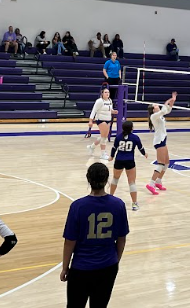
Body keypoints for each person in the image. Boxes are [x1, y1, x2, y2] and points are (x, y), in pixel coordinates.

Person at [61, 163, 129, 308]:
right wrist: (115, 260)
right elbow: (121, 239)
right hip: (108, 267)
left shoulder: (78, 206)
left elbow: (69, 241)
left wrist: (65, 267)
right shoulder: (118, 205)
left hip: (81, 268)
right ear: (107, 180)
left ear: (88, 179)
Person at [109, 121, 148, 212]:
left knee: (115, 179)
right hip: (130, 161)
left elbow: (114, 148)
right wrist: (144, 154)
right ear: (131, 128)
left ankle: (110, 199)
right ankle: (134, 204)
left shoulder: (118, 137)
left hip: (119, 160)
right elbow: (140, 148)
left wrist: (111, 156)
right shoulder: (135, 138)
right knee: (131, 182)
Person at [146, 92, 177, 195]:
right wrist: (167, 101)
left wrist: (172, 100)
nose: (157, 105)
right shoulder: (154, 116)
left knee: (167, 163)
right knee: (160, 164)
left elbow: (167, 110)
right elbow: (164, 109)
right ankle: (151, 184)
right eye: (155, 105)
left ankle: (158, 181)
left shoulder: (160, 115)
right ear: (153, 109)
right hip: (159, 142)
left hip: (163, 139)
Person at [87, 88, 117, 160]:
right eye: (105, 92)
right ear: (102, 94)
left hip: (108, 120)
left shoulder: (110, 100)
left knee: (103, 136)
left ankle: (92, 147)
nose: (107, 94)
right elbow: (93, 111)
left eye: (108, 92)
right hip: (100, 120)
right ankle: (103, 154)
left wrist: (114, 111)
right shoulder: (99, 101)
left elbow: (110, 110)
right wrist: (90, 121)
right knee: (104, 138)